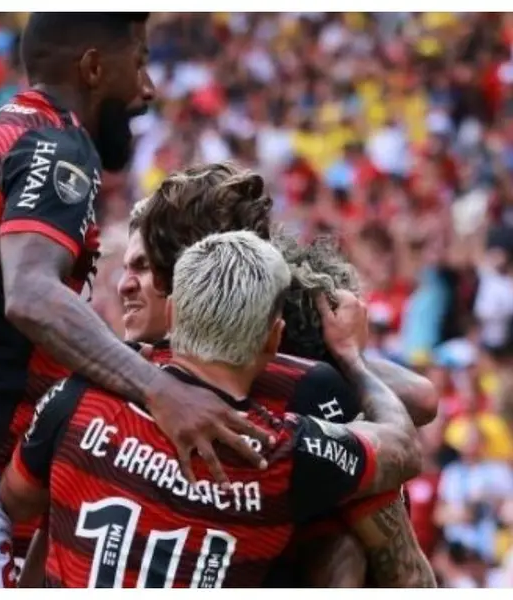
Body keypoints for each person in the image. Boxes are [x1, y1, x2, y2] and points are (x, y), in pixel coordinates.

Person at [0, 14, 271, 589]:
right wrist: (159, 390)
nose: (147, 88)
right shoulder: (58, 141)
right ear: (93, 68)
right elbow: (31, 295)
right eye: (139, 63)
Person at [0, 231, 422, 587]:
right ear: (273, 339)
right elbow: (403, 444)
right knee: (340, 546)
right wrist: (351, 357)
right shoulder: (280, 453)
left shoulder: (76, 398)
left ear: (172, 313)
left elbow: (15, 502)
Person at [116, 162, 435, 586]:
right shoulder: (112, 372)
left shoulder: (298, 384)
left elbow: (404, 570)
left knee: (340, 549)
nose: (125, 285)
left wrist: (347, 359)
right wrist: (350, 359)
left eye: (144, 267)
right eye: (127, 267)